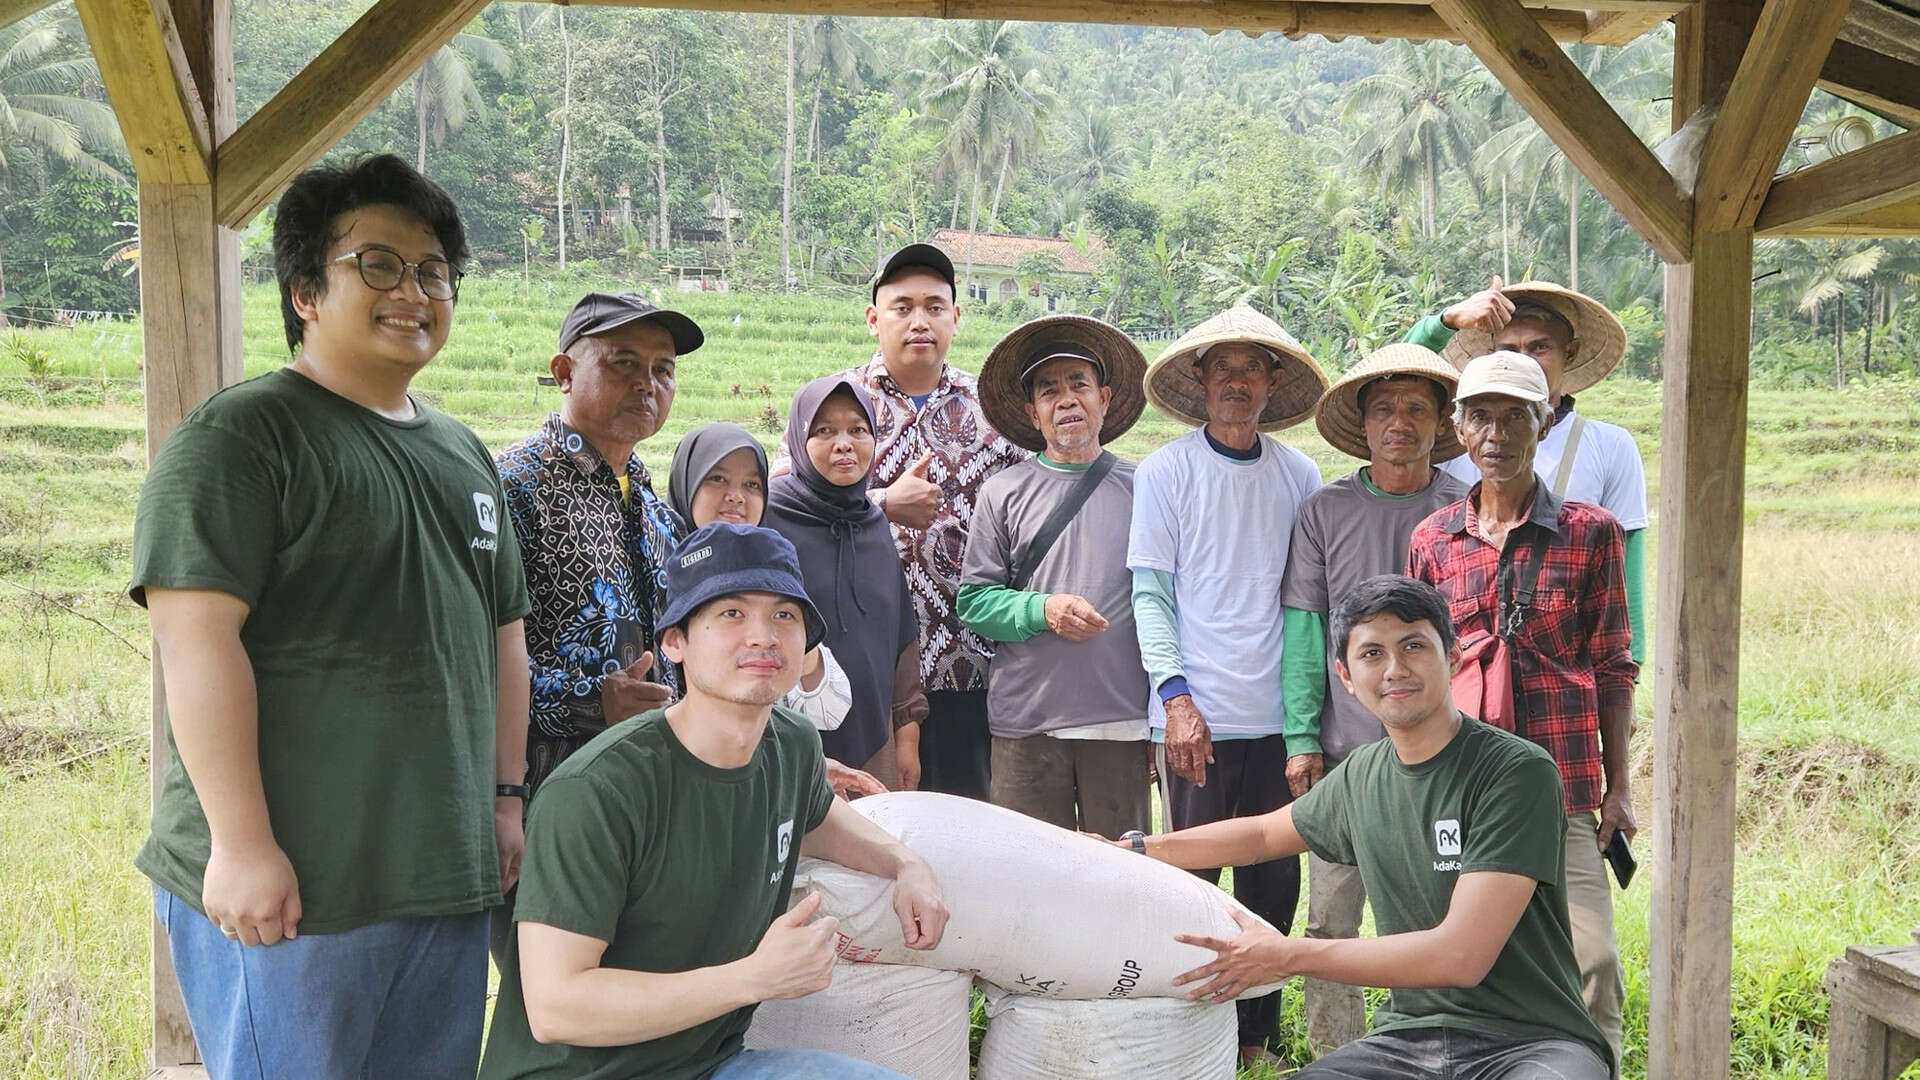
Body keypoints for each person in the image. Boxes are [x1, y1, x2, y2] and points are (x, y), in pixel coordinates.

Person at [129, 153, 530, 1079]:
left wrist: (505, 803)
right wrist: (241, 844)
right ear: (306, 290)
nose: (414, 292)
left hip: (441, 879)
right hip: (295, 886)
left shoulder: (463, 452)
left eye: (434, 272)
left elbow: (502, 636)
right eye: (378, 265)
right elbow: (195, 643)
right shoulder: (243, 438)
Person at [480, 523, 949, 1080]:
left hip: (706, 1066)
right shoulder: (597, 791)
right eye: (731, 613)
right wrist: (755, 978)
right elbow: (557, 1008)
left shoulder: (791, 745)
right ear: (674, 641)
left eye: (784, 615)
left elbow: (818, 818)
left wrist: (906, 863)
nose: (763, 636)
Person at [1128, 575, 1612, 1080]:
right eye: (1372, 654)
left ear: (1453, 657)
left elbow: (1460, 956)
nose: (1395, 670)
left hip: (1530, 1042)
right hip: (1408, 1039)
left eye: (1414, 646)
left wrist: (1285, 956)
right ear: (1345, 674)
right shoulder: (1363, 774)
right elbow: (1262, 836)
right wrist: (1139, 848)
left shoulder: (1514, 771)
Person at [1407, 350, 1637, 1058]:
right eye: (1481, 417)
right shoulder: (1433, 539)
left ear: (1545, 423)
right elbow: (1417, 673)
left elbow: (1612, 664)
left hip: (1561, 786)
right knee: (1465, 965)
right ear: (1459, 428)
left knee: (1591, 962)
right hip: (1463, 791)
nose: (1497, 435)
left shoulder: (1589, 531)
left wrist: (1619, 784)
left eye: (1515, 417)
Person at [1127, 302, 1328, 1063]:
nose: (1237, 382)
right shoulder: (1169, 471)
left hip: (1276, 717)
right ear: (1200, 378)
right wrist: (1175, 699)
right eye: (1223, 368)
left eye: (1252, 368)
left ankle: (1257, 1039)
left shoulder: (1299, 474)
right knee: (1189, 885)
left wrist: (1304, 721)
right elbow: (1152, 593)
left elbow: (1305, 602)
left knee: (1274, 885)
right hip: (1193, 716)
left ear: (1273, 382)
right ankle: (1186, 1039)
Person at [774, 244, 1028, 801]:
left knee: (965, 827)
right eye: (902, 307)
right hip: (860, 672)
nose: (920, 321)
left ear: (956, 317)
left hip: (968, 663)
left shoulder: (991, 409)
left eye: (935, 307)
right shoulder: (835, 405)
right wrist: (883, 500)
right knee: (870, 832)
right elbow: (778, 501)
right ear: (873, 319)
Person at [1282, 342, 1470, 1057]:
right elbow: (1304, 632)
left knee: (1438, 918)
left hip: (1444, 759)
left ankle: (1442, 1052)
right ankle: (1339, 1057)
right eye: (1385, 407)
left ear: (1439, 421)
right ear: (1362, 424)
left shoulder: (1464, 507)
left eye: (1417, 407)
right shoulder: (1325, 510)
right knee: (1330, 919)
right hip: (1346, 752)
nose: (1400, 421)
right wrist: (1300, 735)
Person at [496, 291, 701, 794]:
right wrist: (590, 701)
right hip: (547, 796)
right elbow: (475, 659)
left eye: (662, 370)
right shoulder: (511, 488)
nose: (646, 384)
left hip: (656, 792)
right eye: (623, 363)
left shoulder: (658, 512)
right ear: (564, 372)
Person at [956, 314, 1153, 837]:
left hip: (1121, 720)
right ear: (1033, 412)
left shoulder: (1146, 489)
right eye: (1049, 390)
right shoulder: (1003, 492)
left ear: (1104, 398)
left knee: (1121, 877)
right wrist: (1040, 609)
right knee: (1028, 878)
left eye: (1078, 385)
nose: (1066, 400)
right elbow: (974, 604)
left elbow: (1168, 601)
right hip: (1027, 722)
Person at [1404, 277, 1648, 671]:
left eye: (1540, 348)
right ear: (1461, 428)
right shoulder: (1457, 443)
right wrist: (1445, 321)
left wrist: (1629, 670)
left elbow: (1626, 567)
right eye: (1508, 350)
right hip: (1470, 679)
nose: (1524, 361)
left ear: (1569, 352)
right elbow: (1397, 376)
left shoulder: (1609, 445)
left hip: (1559, 678)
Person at [669, 421, 882, 799]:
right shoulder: (657, 570)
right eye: (717, 479)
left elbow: (830, 708)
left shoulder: (772, 566)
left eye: (752, 485)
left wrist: (802, 651)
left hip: (759, 781)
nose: (736, 497)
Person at [765, 377, 928, 791]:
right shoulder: (768, 517)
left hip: (876, 739)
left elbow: (899, 633)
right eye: (824, 431)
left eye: (858, 430)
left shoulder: (872, 521)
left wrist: (906, 734)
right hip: (787, 741)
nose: (844, 443)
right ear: (798, 440)